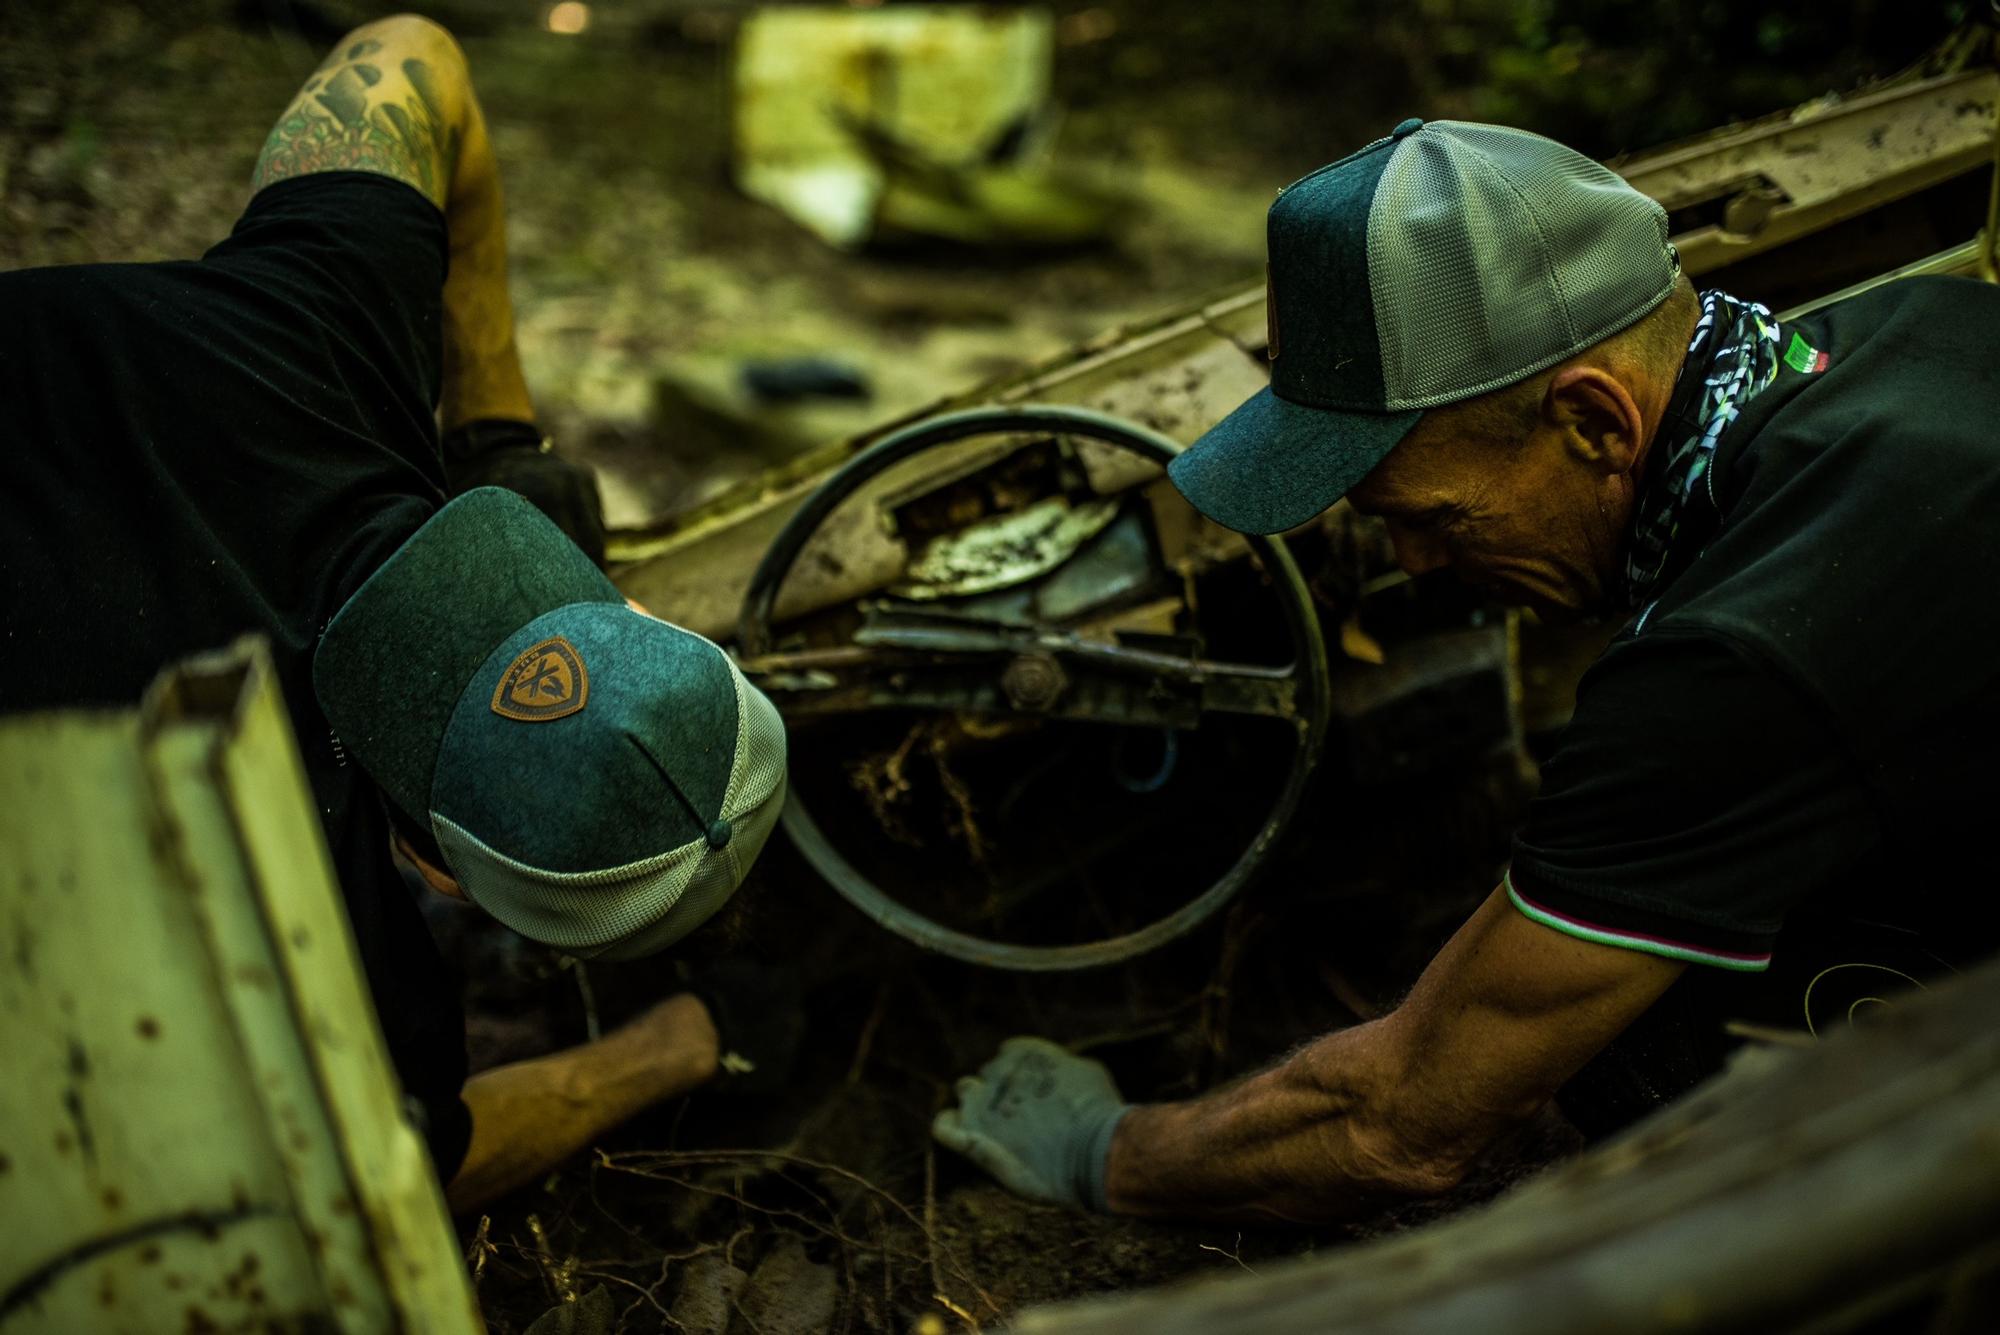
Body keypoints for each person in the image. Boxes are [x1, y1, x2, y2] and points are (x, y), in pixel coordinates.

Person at [932, 117, 2000, 1221]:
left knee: (1642, 1037)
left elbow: (1401, 1124)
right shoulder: (1923, 324)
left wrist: (1110, 1153)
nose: (1414, 564)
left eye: (1435, 517)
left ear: (1590, 419)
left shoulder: (1737, 661)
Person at [1, 15, 788, 1212]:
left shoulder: (322, 329)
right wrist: (676, 1044)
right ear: (442, 876)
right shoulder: (271, 908)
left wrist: (491, 435)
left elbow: (413, 54)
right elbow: (403, 1174)